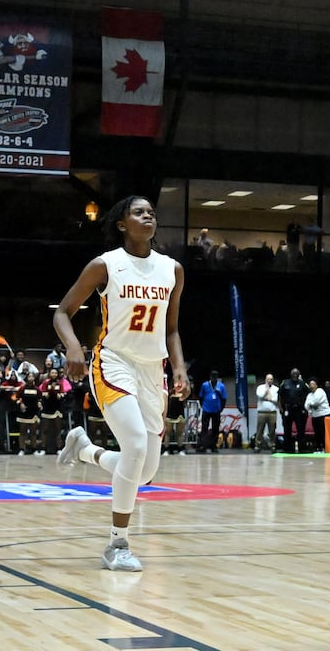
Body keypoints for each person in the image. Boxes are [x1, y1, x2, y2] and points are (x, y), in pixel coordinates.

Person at [53, 195, 190, 573]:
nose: (148, 216)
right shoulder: (106, 265)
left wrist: (179, 368)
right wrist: (73, 347)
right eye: (139, 212)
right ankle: (118, 544)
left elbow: (172, 328)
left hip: (152, 369)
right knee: (133, 445)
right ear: (122, 224)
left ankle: (84, 450)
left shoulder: (172, 269)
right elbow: (63, 312)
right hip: (113, 362)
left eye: (152, 212)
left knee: (144, 471)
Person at [278, 367, 309, 452]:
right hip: (288, 409)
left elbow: (309, 395)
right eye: (293, 373)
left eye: (296, 374)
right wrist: (281, 409)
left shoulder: (302, 383)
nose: (295, 375)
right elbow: (280, 397)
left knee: (301, 430)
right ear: (290, 374)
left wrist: (306, 409)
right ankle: (287, 449)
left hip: (299, 410)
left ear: (299, 375)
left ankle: (302, 448)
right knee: (287, 430)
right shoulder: (285, 383)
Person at [198, 371, 226, 453]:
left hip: (216, 410)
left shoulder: (221, 386)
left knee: (215, 429)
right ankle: (203, 445)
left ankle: (214, 446)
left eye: (215, 376)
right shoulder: (205, 385)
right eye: (212, 376)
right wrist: (203, 406)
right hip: (206, 410)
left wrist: (221, 409)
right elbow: (201, 397)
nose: (213, 378)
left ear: (217, 377)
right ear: (210, 376)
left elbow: (224, 399)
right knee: (204, 428)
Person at [303, 378, 330, 453]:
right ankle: (318, 447)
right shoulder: (309, 395)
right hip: (315, 416)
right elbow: (306, 405)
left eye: (313, 384)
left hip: (325, 415)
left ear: (316, 385)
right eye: (310, 384)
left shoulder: (320, 391)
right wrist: (310, 405)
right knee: (317, 433)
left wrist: (311, 404)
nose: (311, 386)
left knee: (324, 433)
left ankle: (326, 448)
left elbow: (317, 401)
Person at [255, 373, 279, 452]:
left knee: (272, 430)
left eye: (271, 379)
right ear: (265, 379)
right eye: (268, 379)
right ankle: (258, 446)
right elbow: (260, 396)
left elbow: (276, 400)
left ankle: (272, 445)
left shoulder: (276, 389)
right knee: (259, 430)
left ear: (273, 380)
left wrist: (269, 399)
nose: (269, 380)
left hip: (272, 412)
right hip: (262, 412)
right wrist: (266, 391)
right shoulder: (260, 387)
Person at [164, 379, 188, 455]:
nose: (178, 385)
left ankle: (180, 449)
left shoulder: (184, 393)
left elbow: (185, 403)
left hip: (180, 414)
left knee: (180, 433)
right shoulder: (169, 392)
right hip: (170, 414)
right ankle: (166, 450)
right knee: (168, 433)